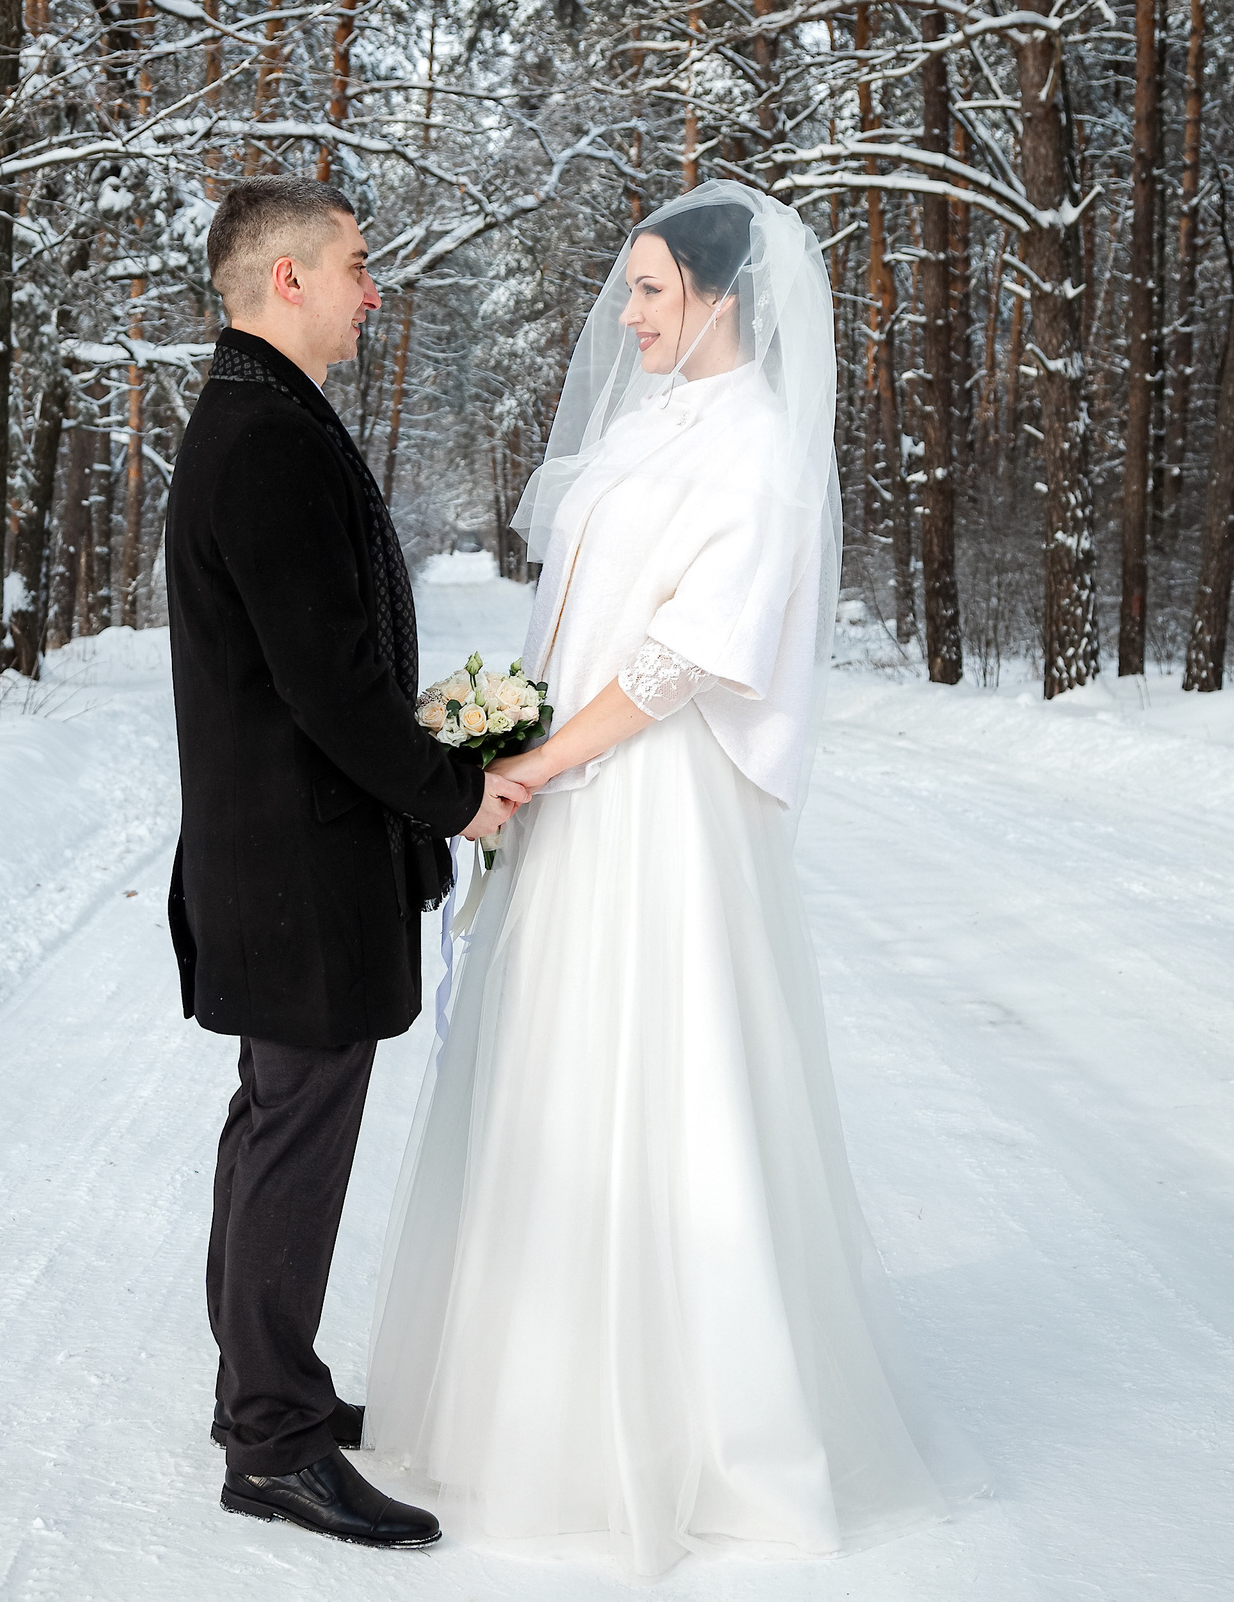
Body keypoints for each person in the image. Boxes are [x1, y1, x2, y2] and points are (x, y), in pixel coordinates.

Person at [363, 181, 985, 1573]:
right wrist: (509, 728)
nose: (627, 316)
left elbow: (685, 656)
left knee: (663, 1077)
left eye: (649, 291)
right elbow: (580, 610)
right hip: (581, 781)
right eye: (628, 290)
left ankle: (696, 1422)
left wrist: (535, 764)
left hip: (654, 800)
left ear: (718, 295)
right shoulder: (649, 430)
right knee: (557, 1082)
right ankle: (535, 1395)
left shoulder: (761, 445)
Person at [164, 176, 524, 1551]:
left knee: (272, 1130)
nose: (376, 292)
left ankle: (265, 1391)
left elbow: (325, 656)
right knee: (294, 1147)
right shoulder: (263, 440)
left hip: (281, 859)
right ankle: (272, 1444)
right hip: (296, 868)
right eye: (359, 268)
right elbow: (328, 682)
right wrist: (454, 796)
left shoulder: (269, 419)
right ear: (288, 280)